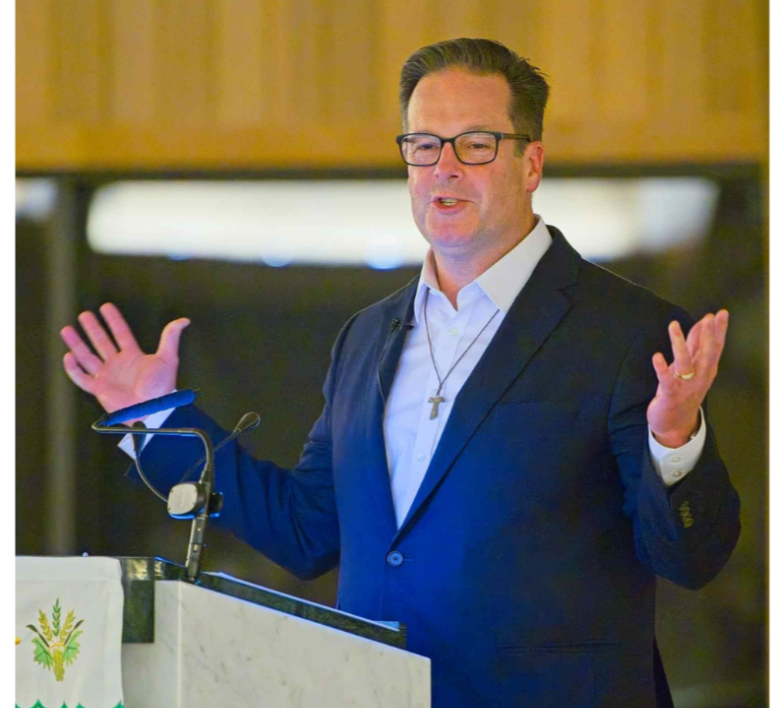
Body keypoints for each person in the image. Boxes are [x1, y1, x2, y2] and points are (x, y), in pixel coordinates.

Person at [60, 39, 740, 708]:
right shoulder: (366, 337)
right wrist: (156, 419)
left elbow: (690, 557)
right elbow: (306, 531)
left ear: (529, 163)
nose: (443, 168)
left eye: (475, 144)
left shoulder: (626, 332)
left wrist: (674, 441)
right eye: (423, 145)